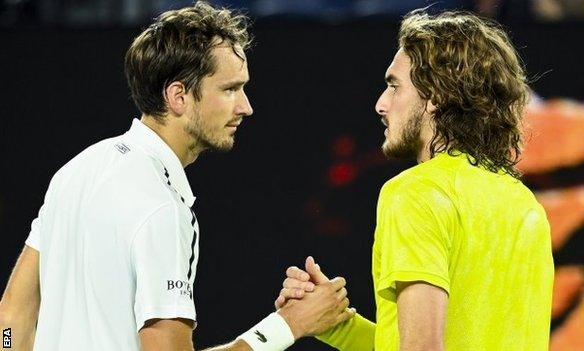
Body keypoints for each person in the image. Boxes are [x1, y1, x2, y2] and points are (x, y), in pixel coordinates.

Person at [0, 2, 354, 351]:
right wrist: (287, 327)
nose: (246, 106)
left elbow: (11, 318)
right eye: (230, 89)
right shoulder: (161, 208)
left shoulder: (76, 171)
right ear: (178, 96)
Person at [276, 10, 554, 351]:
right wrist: (340, 327)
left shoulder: (416, 193)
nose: (381, 104)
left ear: (436, 95)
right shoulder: (526, 204)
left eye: (394, 86)